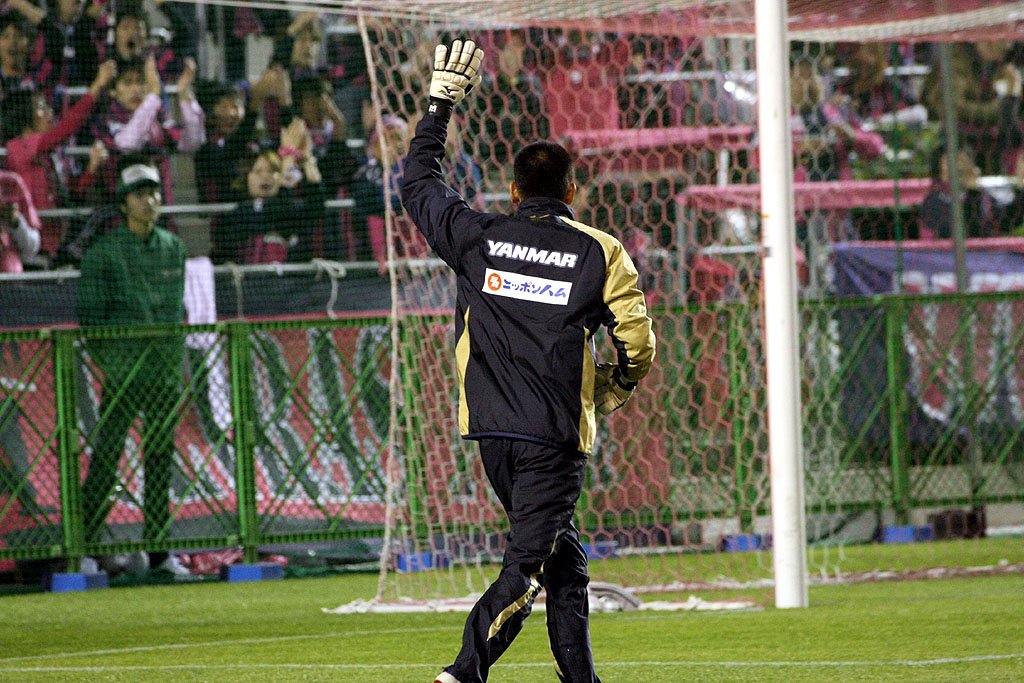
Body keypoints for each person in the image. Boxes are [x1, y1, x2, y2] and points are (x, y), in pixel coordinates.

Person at [401, 39, 656, 683]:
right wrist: (612, 386)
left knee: (565, 564)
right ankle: (464, 672)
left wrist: (439, 105)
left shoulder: (477, 237)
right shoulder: (600, 251)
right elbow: (637, 341)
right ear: (573, 189)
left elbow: (418, 183)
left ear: (514, 191)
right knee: (527, 568)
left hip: (492, 433)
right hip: (552, 435)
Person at [75, 161, 190, 576]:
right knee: (107, 457)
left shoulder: (174, 247)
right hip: (124, 374)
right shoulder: (103, 253)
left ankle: (159, 552)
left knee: (160, 459)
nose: (150, 201)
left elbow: (177, 311)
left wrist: (172, 363)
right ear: (124, 204)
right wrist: (115, 361)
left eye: (155, 193)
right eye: (140, 194)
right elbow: (90, 319)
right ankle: (84, 547)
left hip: (163, 374)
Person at [2, 59, 116, 256]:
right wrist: (96, 87)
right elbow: (67, 127)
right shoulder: (19, 146)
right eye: (41, 107)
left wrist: (91, 168)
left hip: (57, 243)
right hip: (33, 248)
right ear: (23, 116)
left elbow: (74, 194)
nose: (50, 112)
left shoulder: (49, 155)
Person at [920, 144, 1024, 239]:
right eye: (951, 162)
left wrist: (1020, 189)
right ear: (939, 172)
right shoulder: (932, 202)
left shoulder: (982, 196)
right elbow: (953, 230)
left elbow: (1006, 222)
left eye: (961, 160)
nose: (959, 166)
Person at [0, 170, 41, 272]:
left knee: (11, 267)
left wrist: (16, 222)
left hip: (8, 272)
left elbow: (32, 247)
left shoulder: (11, 182)